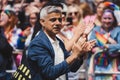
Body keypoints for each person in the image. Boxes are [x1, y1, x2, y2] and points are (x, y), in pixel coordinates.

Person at [27, 2, 96, 80]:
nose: (58, 23)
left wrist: (80, 54)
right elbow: (49, 73)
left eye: (60, 19)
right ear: (42, 22)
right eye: (53, 20)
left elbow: (73, 68)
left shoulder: (59, 42)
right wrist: (74, 55)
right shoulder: (38, 43)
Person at [87, 9, 120, 80]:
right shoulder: (96, 30)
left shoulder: (118, 30)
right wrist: (106, 40)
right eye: (105, 18)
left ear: (114, 19)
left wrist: (107, 45)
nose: (107, 21)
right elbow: (91, 44)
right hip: (98, 65)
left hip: (113, 65)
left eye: (109, 18)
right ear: (101, 19)